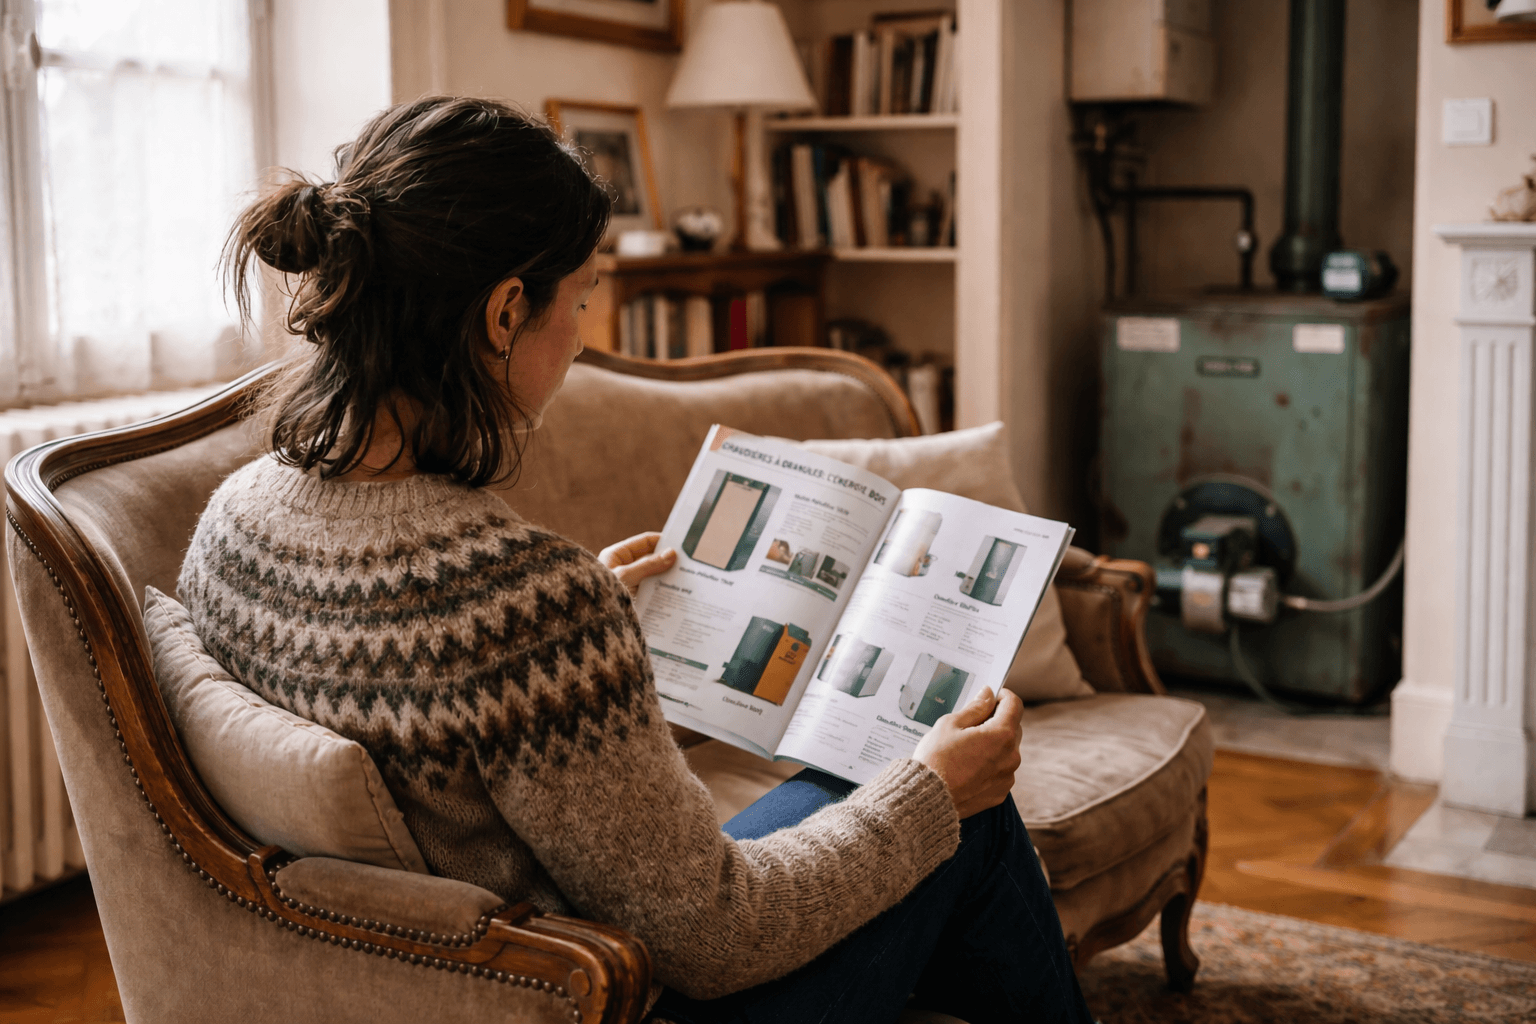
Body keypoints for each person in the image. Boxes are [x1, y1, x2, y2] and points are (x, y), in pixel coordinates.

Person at [180, 96, 1095, 1024]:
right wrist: (935, 792)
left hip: (410, 984)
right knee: (956, 810)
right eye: (579, 301)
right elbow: (721, 938)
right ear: (504, 312)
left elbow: (414, 712)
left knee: (891, 802)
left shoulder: (234, 520)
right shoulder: (518, 603)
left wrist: (587, 627)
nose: (580, 335)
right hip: (600, 999)